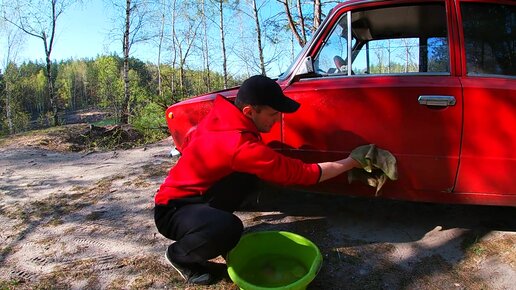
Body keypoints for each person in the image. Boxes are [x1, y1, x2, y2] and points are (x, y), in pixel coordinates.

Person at [154, 75, 360, 285]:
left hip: (193, 197)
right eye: (273, 114)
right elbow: (302, 173)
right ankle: (179, 256)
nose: (277, 119)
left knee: (247, 176)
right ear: (249, 111)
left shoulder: (222, 117)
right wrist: (351, 162)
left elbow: (190, 144)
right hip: (172, 211)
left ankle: (210, 222)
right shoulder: (238, 144)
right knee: (229, 229)